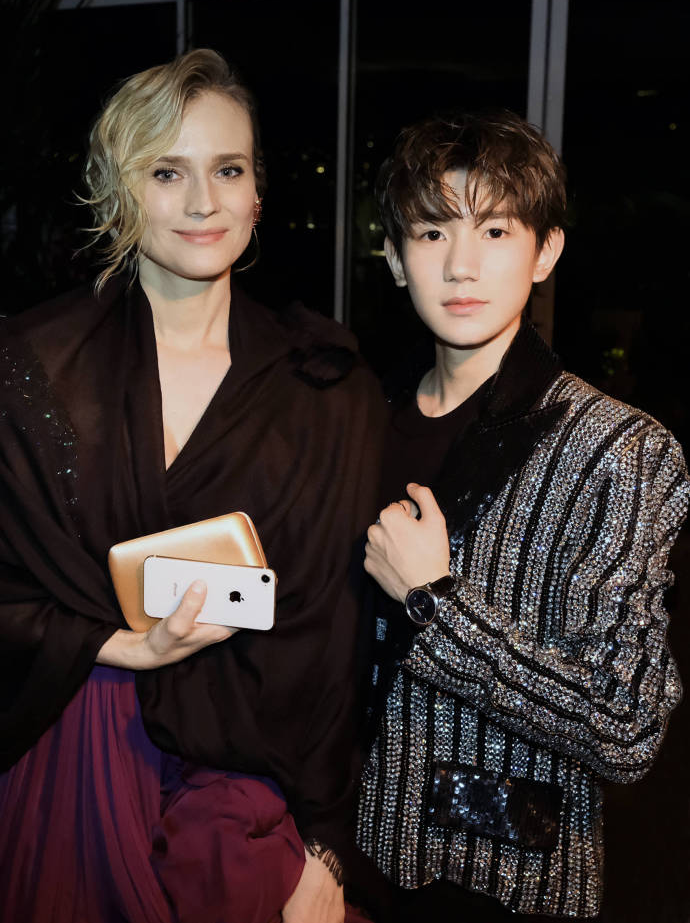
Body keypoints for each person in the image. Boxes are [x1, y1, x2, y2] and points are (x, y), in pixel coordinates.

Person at [0, 49, 384, 923]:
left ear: (258, 194)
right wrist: (116, 645)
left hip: (246, 797)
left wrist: (327, 840)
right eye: (167, 171)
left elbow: (335, 639)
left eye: (229, 169)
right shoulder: (29, 370)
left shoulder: (325, 391)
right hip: (73, 762)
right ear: (119, 190)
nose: (204, 201)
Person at [354, 111, 689, 921]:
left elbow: (627, 724)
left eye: (496, 230)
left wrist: (436, 605)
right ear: (395, 258)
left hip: (502, 880)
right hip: (346, 859)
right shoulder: (356, 420)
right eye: (432, 232)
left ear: (546, 251)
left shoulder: (617, 449)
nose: (461, 264)